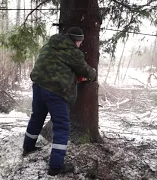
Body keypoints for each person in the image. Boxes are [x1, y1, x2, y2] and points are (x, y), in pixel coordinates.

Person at [22, 26, 97, 176]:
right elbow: (85, 70)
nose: (80, 45)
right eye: (80, 42)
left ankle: (28, 147)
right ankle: (56, 166)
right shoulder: (73, 52)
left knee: (37, 117)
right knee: (62, 126)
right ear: (76, 41)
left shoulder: (49, 45)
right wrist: (94, 74)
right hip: (56, 91)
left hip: (38, 86)